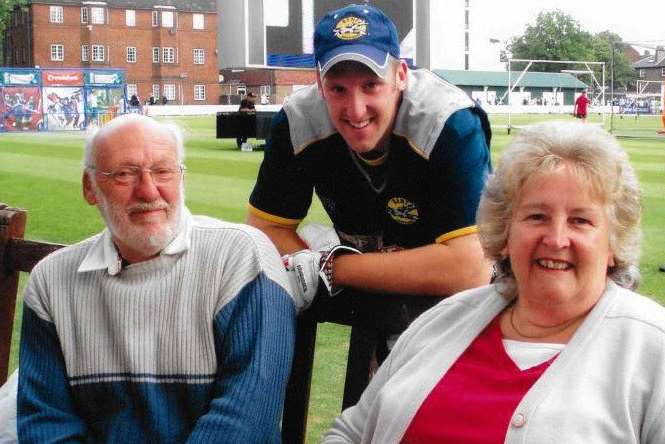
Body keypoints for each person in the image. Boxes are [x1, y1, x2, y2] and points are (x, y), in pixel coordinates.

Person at [323, 121, 665, 443]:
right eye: (537, 217)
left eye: (580, 221)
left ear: (612, 244)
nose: (556, 238)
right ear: (505, 233)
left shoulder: (651, 349)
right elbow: (352, 431)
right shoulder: (446, 319)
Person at [16, 114, 296, 443]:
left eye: (163, 171)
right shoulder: (51, 281)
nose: (149, 191)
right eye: (124, 174)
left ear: (181, 177)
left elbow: (244, 420)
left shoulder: (241, 256)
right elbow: (46, 424)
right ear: (90, 187)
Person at [247, 4, 492, 357]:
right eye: (338, 89)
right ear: (318, 82)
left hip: (457, 320)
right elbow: (263, 231)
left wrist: (331, 266)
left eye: (370, 84)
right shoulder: (298, 120)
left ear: (401, 76)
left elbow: (470, 268)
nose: (356, 108)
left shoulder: (448, 122)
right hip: (379, 307)